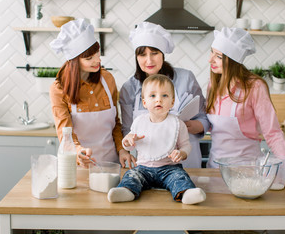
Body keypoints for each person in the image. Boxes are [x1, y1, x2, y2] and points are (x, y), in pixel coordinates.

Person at [206, 27, 285, 186]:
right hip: (214, 170)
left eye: (218, 56)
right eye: (211, 52)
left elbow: (272, 132)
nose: (210, 59)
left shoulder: (254, 87)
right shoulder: (214, 84)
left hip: (247, 173)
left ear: (233, 60)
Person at [119, 22, 210, 168]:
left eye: (154, 53)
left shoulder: (186, 79)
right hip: (149, 165)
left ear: (162, 54)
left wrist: (190, 126)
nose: (149, 60)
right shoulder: (128, 89)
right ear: (136, 57)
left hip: (186, 160)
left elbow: (204, 118)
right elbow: (127, 129)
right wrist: (126, 147)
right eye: (142, 54)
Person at [108, 74, 206, 204]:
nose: (158, 100)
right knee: (131, 175)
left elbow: (186, 146)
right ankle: (126, 191)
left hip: (169, 168)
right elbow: (130, 146)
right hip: (143, 168)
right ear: (144, 102)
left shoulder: (177, 124)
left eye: (164, 96)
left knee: (180, 177)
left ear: (172, 102)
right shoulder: (139, 122)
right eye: (153, 96)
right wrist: (127, 141)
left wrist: (181, 153)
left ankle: (186, 193)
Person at [49, 19, 134, 168]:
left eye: (97, 54)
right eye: (89, 58)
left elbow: (115, 124)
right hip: (79, 165)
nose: (98, 60)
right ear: (74, 61)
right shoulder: (59, 89)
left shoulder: (107, 79)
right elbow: (65, 133)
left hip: (111, 164)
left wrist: (122, 150)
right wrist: (78, 152)